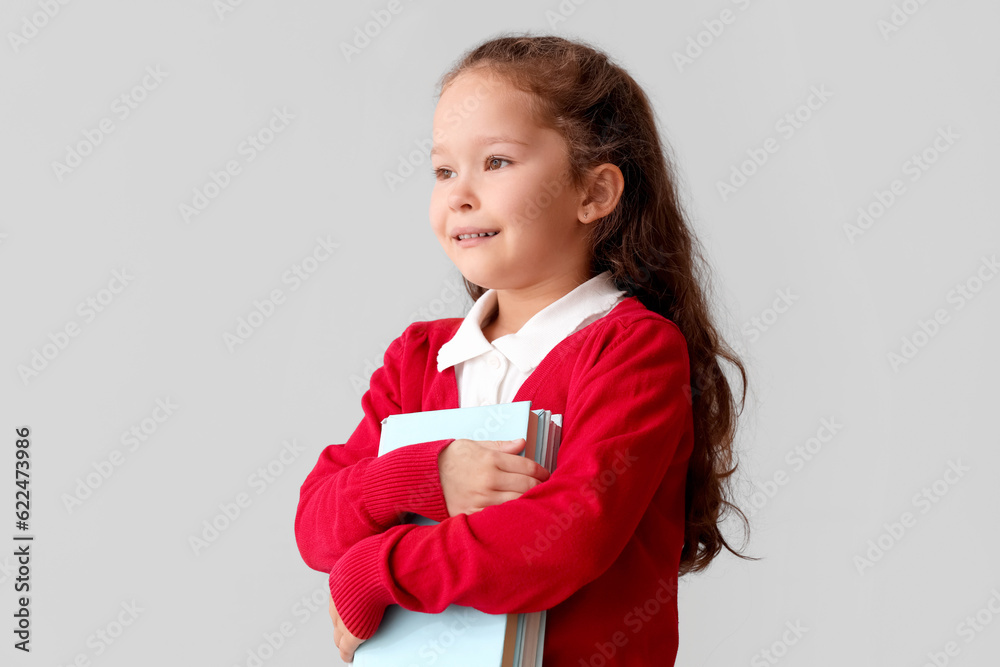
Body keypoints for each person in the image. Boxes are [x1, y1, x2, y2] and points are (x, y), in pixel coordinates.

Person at [294, 33, 753, 666]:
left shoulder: (633, 350)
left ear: (593, 194)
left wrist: (377, 568)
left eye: (498, 162)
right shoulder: (419, 359)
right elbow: (317, 523)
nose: (459, 193)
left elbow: (566, 538)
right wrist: (428, 475)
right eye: (444, 170)